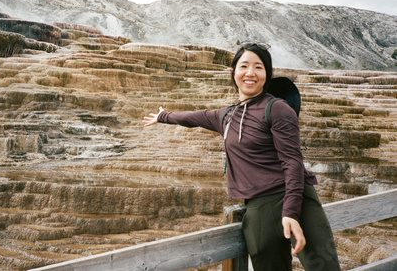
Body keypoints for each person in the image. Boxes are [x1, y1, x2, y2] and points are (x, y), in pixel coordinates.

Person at [143, 42, 340, 271]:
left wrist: (291, 212)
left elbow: (293, 162)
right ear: (234, 72)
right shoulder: (226, 116)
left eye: (258, 67)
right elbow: (194, 117)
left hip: (296, 200)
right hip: (258, 208)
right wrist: (164, 116)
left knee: (325, 268)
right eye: (244, 66)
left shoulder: (277, 108)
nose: (250, 73)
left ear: (267, 74)